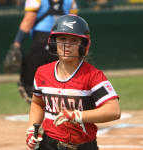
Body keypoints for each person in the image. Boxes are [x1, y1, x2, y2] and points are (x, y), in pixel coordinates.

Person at [26, 14, 121, 150]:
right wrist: (31, 128)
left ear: (83, 45)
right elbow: (37, 103)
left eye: (73, 40)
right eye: (62, 39)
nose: (67, 45)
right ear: (53, 42)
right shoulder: (42, 72)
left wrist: (77, 115)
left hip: (83, 146)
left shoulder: (93, 75)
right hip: (48, 144)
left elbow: (114, 110)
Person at [6, 0, 78, 103]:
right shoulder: (71, 1)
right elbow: (75, 24)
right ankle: (61, 104)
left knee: (29, 76)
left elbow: (28, 22)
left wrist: (16, 44)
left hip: (42, 39)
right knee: (62, 74)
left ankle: (36, 102)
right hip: (64, 39)